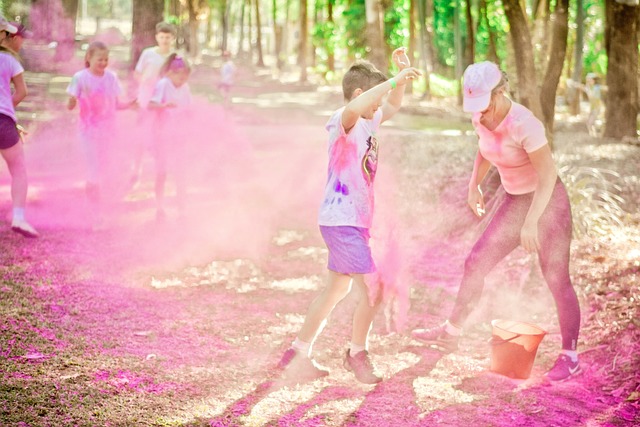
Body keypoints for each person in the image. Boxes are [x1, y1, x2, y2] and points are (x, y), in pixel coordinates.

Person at [411, 61, 582, 382]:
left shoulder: (524, 124)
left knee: (557, 277)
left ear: (501, 92)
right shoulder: (480, 117)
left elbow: (548, 175)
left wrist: (532, 222)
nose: (482, 114)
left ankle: (570, 356)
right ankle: (451, 331)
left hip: (548, 203)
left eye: (486, 105)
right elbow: (486, 149)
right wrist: (473, 183)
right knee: (476, 261)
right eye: (477, 108)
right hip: (515, 201)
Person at [277, 49, 421, 384]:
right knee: (372, 288)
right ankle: (357, 353)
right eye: (375, 98)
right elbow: (356, 107)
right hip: (342, 220)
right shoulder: (344, 120)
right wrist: (393, 82)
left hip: (351, 221)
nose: (379, 107)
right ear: (360, 94)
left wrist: (399, 77)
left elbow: (394, 106)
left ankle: (297, 353)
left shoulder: (370, 120)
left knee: (335, 290)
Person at [66, 41, 136, 229]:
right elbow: (70, 105)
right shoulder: (80, 78)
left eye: (106, 59)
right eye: (100, 59)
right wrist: (72, 101)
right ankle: (95, 215)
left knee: (107, 171)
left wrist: (129, 105)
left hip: (108, 133)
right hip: (88, 133)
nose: (104, 62)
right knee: (93, 171)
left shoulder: (111, 78)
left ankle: (99, 208)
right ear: (89, 58)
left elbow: (115, 105)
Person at [0, 18, 38, 237]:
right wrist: (7, 113)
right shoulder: (10, 60)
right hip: (4, 123)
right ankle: (19, 218)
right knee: (19, 170)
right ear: (4, 36)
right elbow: (21, 92)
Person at [130, 22, 177, 186]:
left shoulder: (176, 57)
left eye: (168, 37)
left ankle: (161, 172)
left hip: (164, 104)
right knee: (141, 137)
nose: (165, 40)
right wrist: (143, 80)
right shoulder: (148, 54)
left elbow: (179, 80)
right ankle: (136, 170)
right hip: (146, 101)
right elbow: (137, 73)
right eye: (162, 37)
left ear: (173, 39)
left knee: (162, 137)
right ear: (157, 37)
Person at [147, 54, 192, 221]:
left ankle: (182, 209)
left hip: (179, 136)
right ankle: (159, 207)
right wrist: (164, 106)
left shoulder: (185, 88)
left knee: (181, 173)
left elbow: (188, 108)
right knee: (162, 172)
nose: (182, 81)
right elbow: (150, 105)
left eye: (185, 77)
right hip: (162, 136)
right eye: (180, 77)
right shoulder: (163, 84)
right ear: (170, 73)